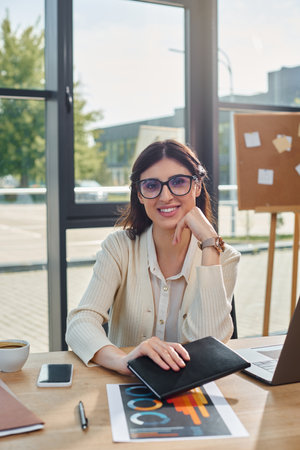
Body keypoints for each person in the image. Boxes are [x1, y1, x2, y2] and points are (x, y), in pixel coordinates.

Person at [66, 139, 240, 375]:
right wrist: (124, 361)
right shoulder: (119, 248)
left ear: (197, 187)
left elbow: (209, 345)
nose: (166, 196)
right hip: (126, 387)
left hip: (194, 391)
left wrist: (210, 243)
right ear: (139, 194)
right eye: (151, 185)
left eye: (179, 182)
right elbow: (80, 322)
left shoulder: (224, 257)